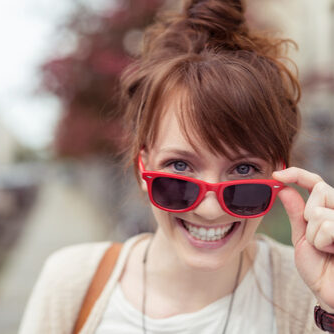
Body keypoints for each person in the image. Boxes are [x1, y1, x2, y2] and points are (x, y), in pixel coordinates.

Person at [19, 0, 334, 333]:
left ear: (279, 175)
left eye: (243, 170)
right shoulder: (71, 283)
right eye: (181, 165)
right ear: (143, 168)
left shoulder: (307, 293)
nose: (210, 209)